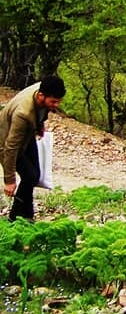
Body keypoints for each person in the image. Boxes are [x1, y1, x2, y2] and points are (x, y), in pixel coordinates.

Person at [1, 75, 66, 222]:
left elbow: (42, 111)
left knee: (33, 176)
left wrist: (39, 125)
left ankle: (27, 215)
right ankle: (14, 219)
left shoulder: (42, 89)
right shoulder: (23, 114)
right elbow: (10, 147)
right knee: (30, 176)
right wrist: (9, 180)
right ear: (41, 96)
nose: (56, 105)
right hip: (5, 142)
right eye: (53, 101)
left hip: (27, 133)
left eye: (59, 101)